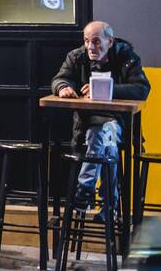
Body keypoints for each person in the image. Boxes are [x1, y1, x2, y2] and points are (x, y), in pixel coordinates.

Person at [52, 21, 151, 211]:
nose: (90, 46)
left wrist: (107, 89)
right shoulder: (77, 56)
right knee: (106, 144)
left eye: (96, 42)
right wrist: (62, 87)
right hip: (86, 126)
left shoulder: (126, 56)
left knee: (102, 133)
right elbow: (59, 78)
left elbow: (142, 89)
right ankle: (109, 206)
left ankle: (85, 190)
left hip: (119, 123)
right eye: (87, 41)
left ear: (110, 42)